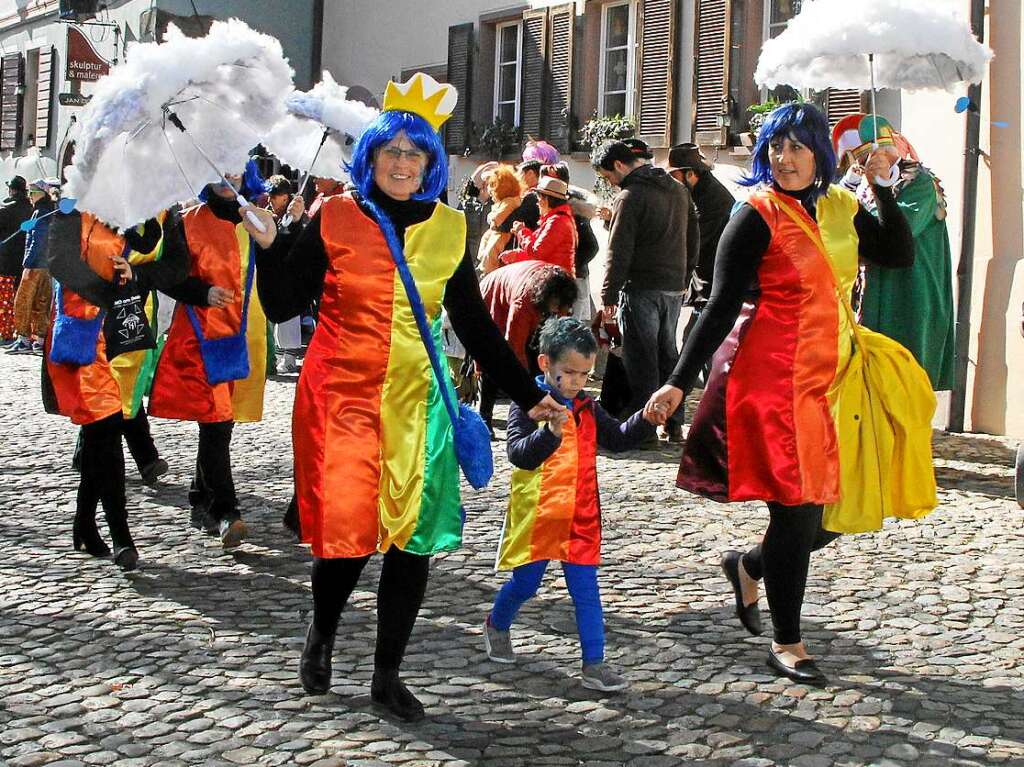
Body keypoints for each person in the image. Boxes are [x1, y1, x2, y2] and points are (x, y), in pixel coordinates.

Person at [245, 72, 564, 722]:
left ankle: (387, 673)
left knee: (412, 541)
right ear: (370, 157)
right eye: (389, 151)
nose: (400, 163)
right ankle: (323, 629)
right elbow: (282, 303)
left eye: (412, 153)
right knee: (349, 539)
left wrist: (530, 392)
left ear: (429, 163)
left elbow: (474, 327)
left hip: (418, 405)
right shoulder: (335, 216)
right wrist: (273, 248)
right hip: (343, 402)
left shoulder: (449, 228)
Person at [644, 103, 914, 685]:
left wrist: (883, 187)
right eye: (774, 146)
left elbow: (897, 255)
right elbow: (717, 307)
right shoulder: (756, 214)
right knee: (797, 511)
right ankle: (787, 642)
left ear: (820, 151)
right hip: (776, 383)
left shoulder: (841, 205)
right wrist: (677, 381)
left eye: (796, 147)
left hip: (839, 377)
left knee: (838, 513)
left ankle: (749, 565)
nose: (783, 159)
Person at [484, 317, 656, 691]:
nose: (579, 382)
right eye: (571, 373)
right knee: (525, 584)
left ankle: (594, 663)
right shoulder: (528, 403)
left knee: (586, 592)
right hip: (539, 514)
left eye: (586, 374)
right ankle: (496, 623)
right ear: (546, 364)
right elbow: (519, 455)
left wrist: (646, 418)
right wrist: (549, 432)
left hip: (581, 514)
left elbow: (619, 439)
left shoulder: (587, 407)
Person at [42, 210, 175, 571]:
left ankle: (85, 523)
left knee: (101, 433)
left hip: (111, 337)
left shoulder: (122, 212)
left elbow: (147, 242)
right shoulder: (70, 213)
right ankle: (121, 536)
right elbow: (60, 262)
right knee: (106, 430)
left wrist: (145, 212)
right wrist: (107, 291)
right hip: (79, 339)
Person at [147, 169, 269, 549]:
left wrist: (288, 231)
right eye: (216, 164)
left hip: (244, 336)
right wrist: (202, 292)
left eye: (232, 165)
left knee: (220, 423)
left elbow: (282, 273)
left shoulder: (256, 219)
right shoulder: (189, 220)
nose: (224, 174)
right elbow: (165, 275)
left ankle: (200, 498)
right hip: (201, 337)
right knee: (216, 421)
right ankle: (226, 511)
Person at [834, 114, 955, 391]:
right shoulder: (861, 185)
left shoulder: (920, 182)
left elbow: (893, 234)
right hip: (867, 291)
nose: (864, 167)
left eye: (868, 159)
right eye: (860, 163)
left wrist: (882, 190)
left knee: (903, 379)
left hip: (908, 295)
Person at [591, 140, 698, 444]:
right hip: (673, 286)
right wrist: (684, 274)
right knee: (668, 355)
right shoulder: (678, 190)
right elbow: (694, 237)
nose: (610, 182)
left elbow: (619, 250)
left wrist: (609, 296)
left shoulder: (630, 195)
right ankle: (674, 423)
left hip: (641, 287)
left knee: (642, 359)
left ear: (619, 165)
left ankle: (646, 426)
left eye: (608, 176)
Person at [478, 260, 578, 434]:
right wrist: (525, 389)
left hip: (525, 290)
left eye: (559, 306)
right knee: (493, 356)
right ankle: (484, 417)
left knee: (539, 358)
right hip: (493, 297)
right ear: (547, 298)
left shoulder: (562, 293)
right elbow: (514, 347)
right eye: (554, 305)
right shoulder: (523, 302)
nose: (556, 309)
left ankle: (537, 413)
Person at [663, 143, 735, 333]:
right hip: (705, 286)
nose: (671, 181)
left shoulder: (713, 201)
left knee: (694, 347)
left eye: (674, 175)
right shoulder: (698, 193)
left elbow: (693, 242)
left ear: (690, 174)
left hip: (714, 288)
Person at [542, 163, 599, 321]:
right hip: (559, 278)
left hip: (574, 278)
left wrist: (570, 265)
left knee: (571, 326)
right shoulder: (551, 211)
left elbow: (591, 246)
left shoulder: (573, 210)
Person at [8, 179, 57, 354]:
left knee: (23, 300)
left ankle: (23, 338)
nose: (30, 196)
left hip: (35, 265)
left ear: (42, 193)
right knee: (41, 301)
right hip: (45, 265)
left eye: (33, 192)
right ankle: (39, 339)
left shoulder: (40, 212)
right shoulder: (47, 210)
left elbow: (38, 240)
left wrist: (27, 263)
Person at [264, 175, 303, 375]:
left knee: (289, 317)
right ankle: (275, 355)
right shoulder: (267, 214)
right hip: (271, 271)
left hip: (290, 272)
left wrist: (293, 223)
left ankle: (289, 358)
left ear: (285, 197)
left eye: (275, 196)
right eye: (270, 195)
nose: (271, 199)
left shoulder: (297, 213)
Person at [499, 176, 577, 275]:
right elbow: (542, 253)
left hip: (556, 282)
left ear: (546, 200)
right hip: (554, 278)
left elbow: (536, 253)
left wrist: (521, 231)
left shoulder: (557, 221)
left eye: (539, 198)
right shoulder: (555, 220)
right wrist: (516, 255)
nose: (537, 203)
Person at [0, 176, 34, 345]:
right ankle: (23, 332)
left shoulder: (5, 209)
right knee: (24, 299)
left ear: (12, 190)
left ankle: (6, 332)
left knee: (5, 300)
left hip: (5, 262)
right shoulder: (31, 209)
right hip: (26, 260)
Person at [477, 164, 523, 274]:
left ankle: (488, 270)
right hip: (496, 230)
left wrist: (493, 219)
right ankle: (482, 263)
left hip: (502, 233)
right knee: (485, 240)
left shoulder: (510, 201)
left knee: (492, 250)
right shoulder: (505, 201)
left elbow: (498, 217)